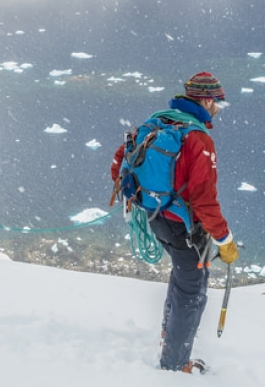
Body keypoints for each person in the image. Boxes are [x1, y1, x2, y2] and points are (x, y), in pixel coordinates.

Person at [110, 71, 239, 374]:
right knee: (193, 289)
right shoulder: (198, 139)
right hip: (184, 226)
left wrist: (148, 197)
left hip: (156, 218)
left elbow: (119, 164)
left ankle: (168, 337)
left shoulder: (156, 122)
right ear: (205, 100)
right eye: (218, 102)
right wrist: (224, 240)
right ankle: (175, 363)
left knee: (182, 279)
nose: (218, 108)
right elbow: (204, 199)